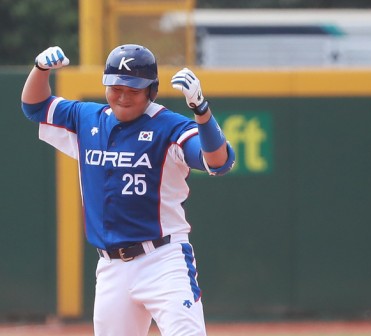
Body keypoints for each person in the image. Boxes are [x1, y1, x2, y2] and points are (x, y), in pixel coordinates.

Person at [21, 45, 235, 336]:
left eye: (133, 90)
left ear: (151, 91)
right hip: (111, 267)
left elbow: (218, 162)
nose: (122, 96)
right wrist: (40, 69)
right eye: (115, 87)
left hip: (163, 259)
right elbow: (34, 107)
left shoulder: (169, 126)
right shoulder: (87, 119)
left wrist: (201, 110)